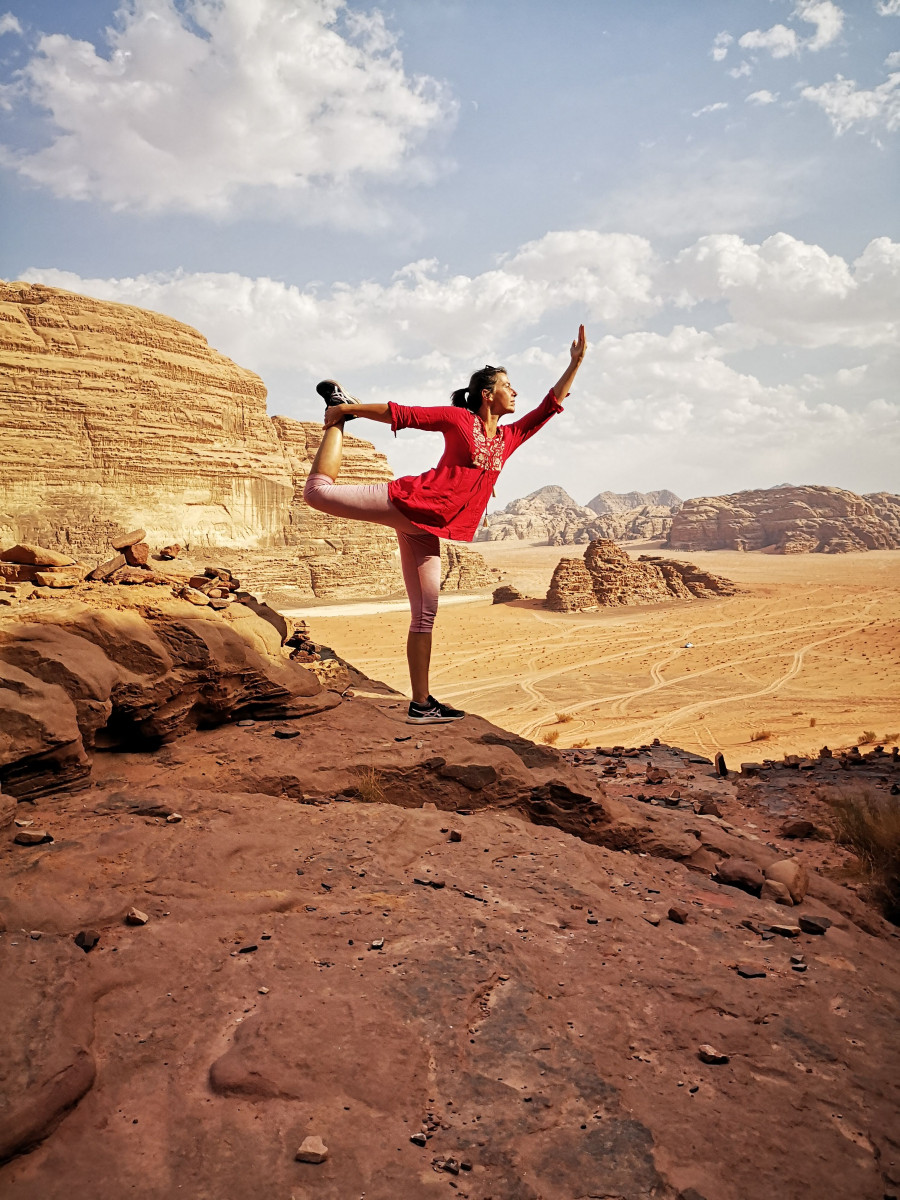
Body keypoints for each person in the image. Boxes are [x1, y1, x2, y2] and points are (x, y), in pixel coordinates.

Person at [303, 325, 588, 723]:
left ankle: (421, 705)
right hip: (408, 503)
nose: (515, 392)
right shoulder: (458, 419)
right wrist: (350, 411)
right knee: (316, 494)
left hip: (427, 530)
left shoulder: (508, 437)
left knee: (425, 614)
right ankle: (336, 414)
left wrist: (575, 364)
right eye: (507, 385)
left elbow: (549, 406)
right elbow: (402, 414)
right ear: (487, 394)